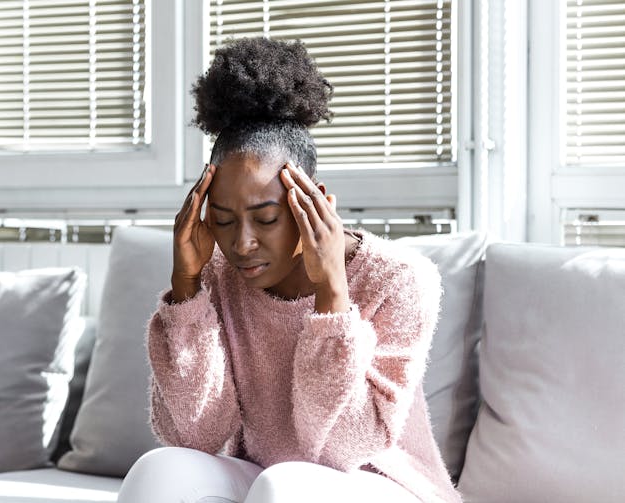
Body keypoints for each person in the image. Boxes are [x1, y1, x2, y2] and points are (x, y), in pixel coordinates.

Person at [117, 37, 461, 503]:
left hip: (383, 484)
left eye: (266, 218)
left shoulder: (398, 279)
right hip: (266, 481)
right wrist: (186, 290)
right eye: (222, 220)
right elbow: (192, 436)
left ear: (314, 203)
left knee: (283, 486)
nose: (241, 243)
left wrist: (333, 294)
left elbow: (347, 447)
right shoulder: (218, 278)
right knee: (160, 470)